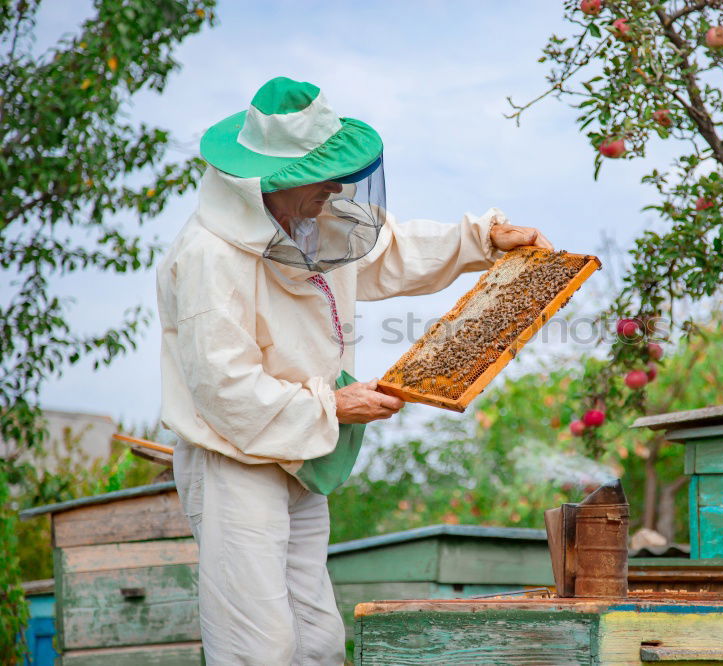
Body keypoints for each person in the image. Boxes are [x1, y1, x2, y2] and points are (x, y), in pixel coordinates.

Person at [156, 76, 551, 665]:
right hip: (234, 462)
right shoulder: (208, 259)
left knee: (315, 643)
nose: (339, 187)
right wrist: (334, 406)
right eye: (324, 173)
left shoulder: (310, 222)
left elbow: (388, 250)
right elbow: (225, 390)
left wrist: (482, 239)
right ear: (275, 180)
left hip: (302, 453)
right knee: (257, 649)